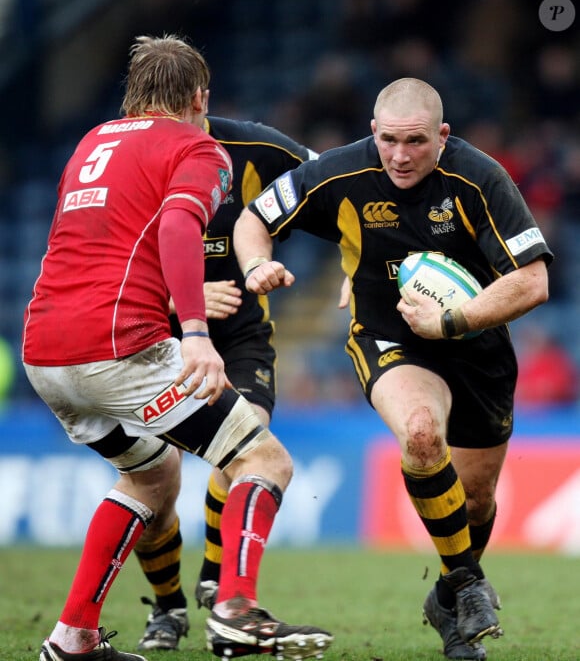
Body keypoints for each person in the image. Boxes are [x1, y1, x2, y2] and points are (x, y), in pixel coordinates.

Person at [22, 34, 332, 661]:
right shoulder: (199, 146)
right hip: (121, 350)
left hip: (44, 350)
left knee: (152, 474)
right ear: (200, 96)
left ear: (132, 94)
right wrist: (193, 330)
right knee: (264, 461)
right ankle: (237, 610)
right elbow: (177, 224)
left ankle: (73, 637)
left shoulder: (91, 144)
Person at [232, 77, 552, 660]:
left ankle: (447, 603)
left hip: (476, 344)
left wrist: (453, 321)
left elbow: (533, 280)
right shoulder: (339, 172)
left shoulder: (480, 178)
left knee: (476, 500)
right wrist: (256, 265)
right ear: (372, 133)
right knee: (422, 435)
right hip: (387, 337)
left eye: (416, 141)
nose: (401, 156)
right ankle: (465, 585)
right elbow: (253, 217)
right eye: (389, 141)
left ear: (443, 136)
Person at [134, 117, 317, 651]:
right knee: (156, 482)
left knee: (249, 442)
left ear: (200, 98)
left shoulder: (260, 149)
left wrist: (363, 255)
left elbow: (342, 181)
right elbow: (103, 270)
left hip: (240, 337)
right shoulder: (130, 163)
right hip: (151, 338)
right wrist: (177, 301)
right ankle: (167, 608)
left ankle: (216, 576)